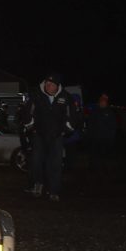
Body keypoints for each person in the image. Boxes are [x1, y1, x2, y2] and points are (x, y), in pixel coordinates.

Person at [20, 70, 83, 201]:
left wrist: (66, 130)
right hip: (39, 135)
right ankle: (37, 184)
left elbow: (73, 116)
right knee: (36, 162)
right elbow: (27, 113)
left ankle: (53, 190)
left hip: (56, 136)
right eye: (47, 84)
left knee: (55, 164)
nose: (49, 86)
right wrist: (31, 127)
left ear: (57, 85)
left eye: (52, 84)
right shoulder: (37, 95)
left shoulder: (65, 97)